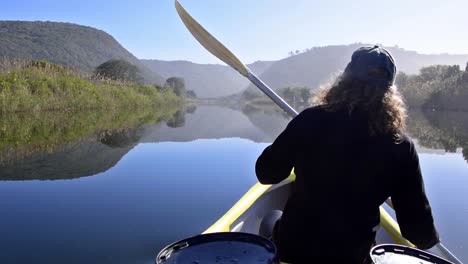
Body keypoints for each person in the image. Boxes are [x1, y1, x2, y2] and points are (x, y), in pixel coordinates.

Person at [255, 45, 439, 263]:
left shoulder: (309, 120)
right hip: (353, 256)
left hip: (295, 248)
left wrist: (294, 142)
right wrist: (428, 240)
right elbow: (417, 230)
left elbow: (266, 174)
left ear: (344, 81)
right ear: (389, 92)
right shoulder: (400, 145)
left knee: (271, 218)